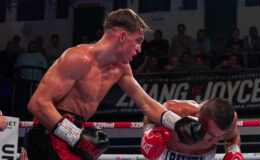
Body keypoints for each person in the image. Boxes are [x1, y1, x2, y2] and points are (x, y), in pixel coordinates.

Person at [22, 8, 205, 160]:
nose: (139, 49)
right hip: (49, 133)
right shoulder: (77, 58)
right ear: (122, 36)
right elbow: (37, 103)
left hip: (73, 133)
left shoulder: (121, 68)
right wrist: (74, 136)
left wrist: (178, 123)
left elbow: (146, 103)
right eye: (138, 41)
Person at [141, 98, 244, 160]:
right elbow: (149, 115)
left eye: (220, 136)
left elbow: (232, 138)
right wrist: (149, 130)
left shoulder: (228, 121)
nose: (215, 141)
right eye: (211, 134)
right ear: (198, 119)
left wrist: (233, 151)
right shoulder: (175, 112)